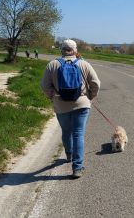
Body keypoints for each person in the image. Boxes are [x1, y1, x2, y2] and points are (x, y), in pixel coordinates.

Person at [41, 39, 100, 178]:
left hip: (61, 105)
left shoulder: (52, 64)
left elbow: (44, 85)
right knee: (78, 134)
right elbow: (95, 83)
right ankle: (77, 168)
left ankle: (69, 154)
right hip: (81, 104)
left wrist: (51, 96)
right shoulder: (84, 64)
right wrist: (91, 96)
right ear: (75, 50)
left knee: (66, 131)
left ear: (61, 49)